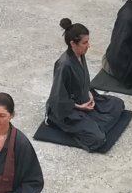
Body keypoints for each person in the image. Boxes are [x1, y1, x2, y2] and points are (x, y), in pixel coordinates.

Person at [45, 19, 127, 150]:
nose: (88, 45)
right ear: (73, 43)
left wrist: (89, 94)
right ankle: (57, 123)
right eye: (84, 43)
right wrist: (80, 106)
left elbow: (84, 81)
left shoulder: (80, 54)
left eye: (87, 41)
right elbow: (58, 98)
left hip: (85, 99)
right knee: (98, 139)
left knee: (118, 104)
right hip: (68, 108)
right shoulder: (64, 65)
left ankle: (92, 123)